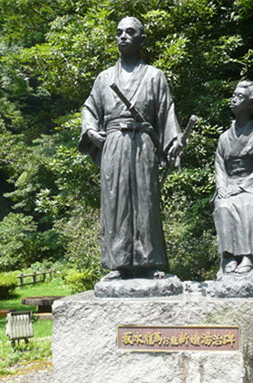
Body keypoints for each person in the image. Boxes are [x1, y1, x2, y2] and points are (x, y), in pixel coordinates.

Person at [78, 17, 181, 280]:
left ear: (141, 39)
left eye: (130, 32)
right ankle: (118, 264)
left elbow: (166, 111)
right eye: (119, 32)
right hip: (113, 143)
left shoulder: (155, 76)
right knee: (115, 201)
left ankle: (149, 263)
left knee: (145, 199)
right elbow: (90, 108)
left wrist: (173, 141)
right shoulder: (104, 78)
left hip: (143, 142)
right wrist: (91, 131)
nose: (123, 36)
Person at [213, 80, 253, 275]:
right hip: (229, 185)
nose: (233, 100)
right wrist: (222, 187)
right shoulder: (224, 138)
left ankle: (248, 257)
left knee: (247, 205)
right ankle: (229, 256)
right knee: (223, 206)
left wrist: (241, 187)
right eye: (233, 95)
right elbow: (219, 166)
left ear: (250, 104)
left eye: (239, 97)